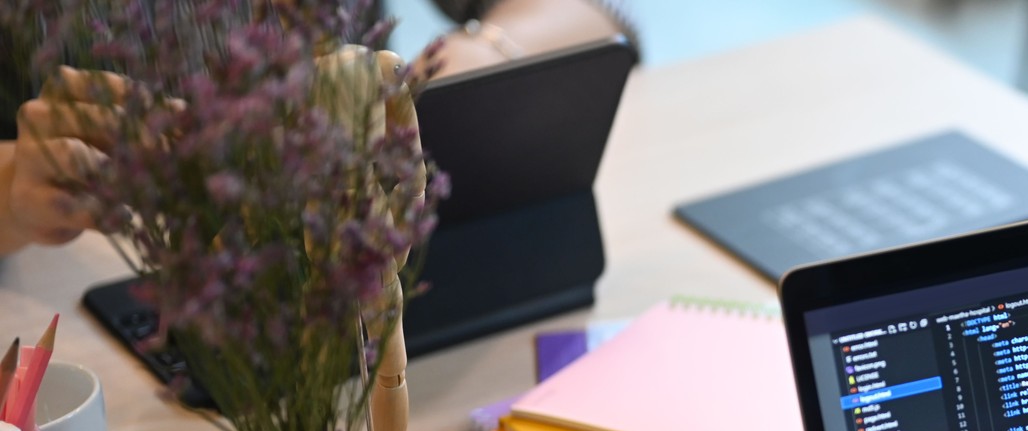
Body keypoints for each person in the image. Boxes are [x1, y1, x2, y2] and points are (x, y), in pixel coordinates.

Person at [0, 0, 635, 258]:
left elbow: (594, 18)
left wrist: (481, 51)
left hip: (372, 261)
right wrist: (13, 190)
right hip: (127, 289)